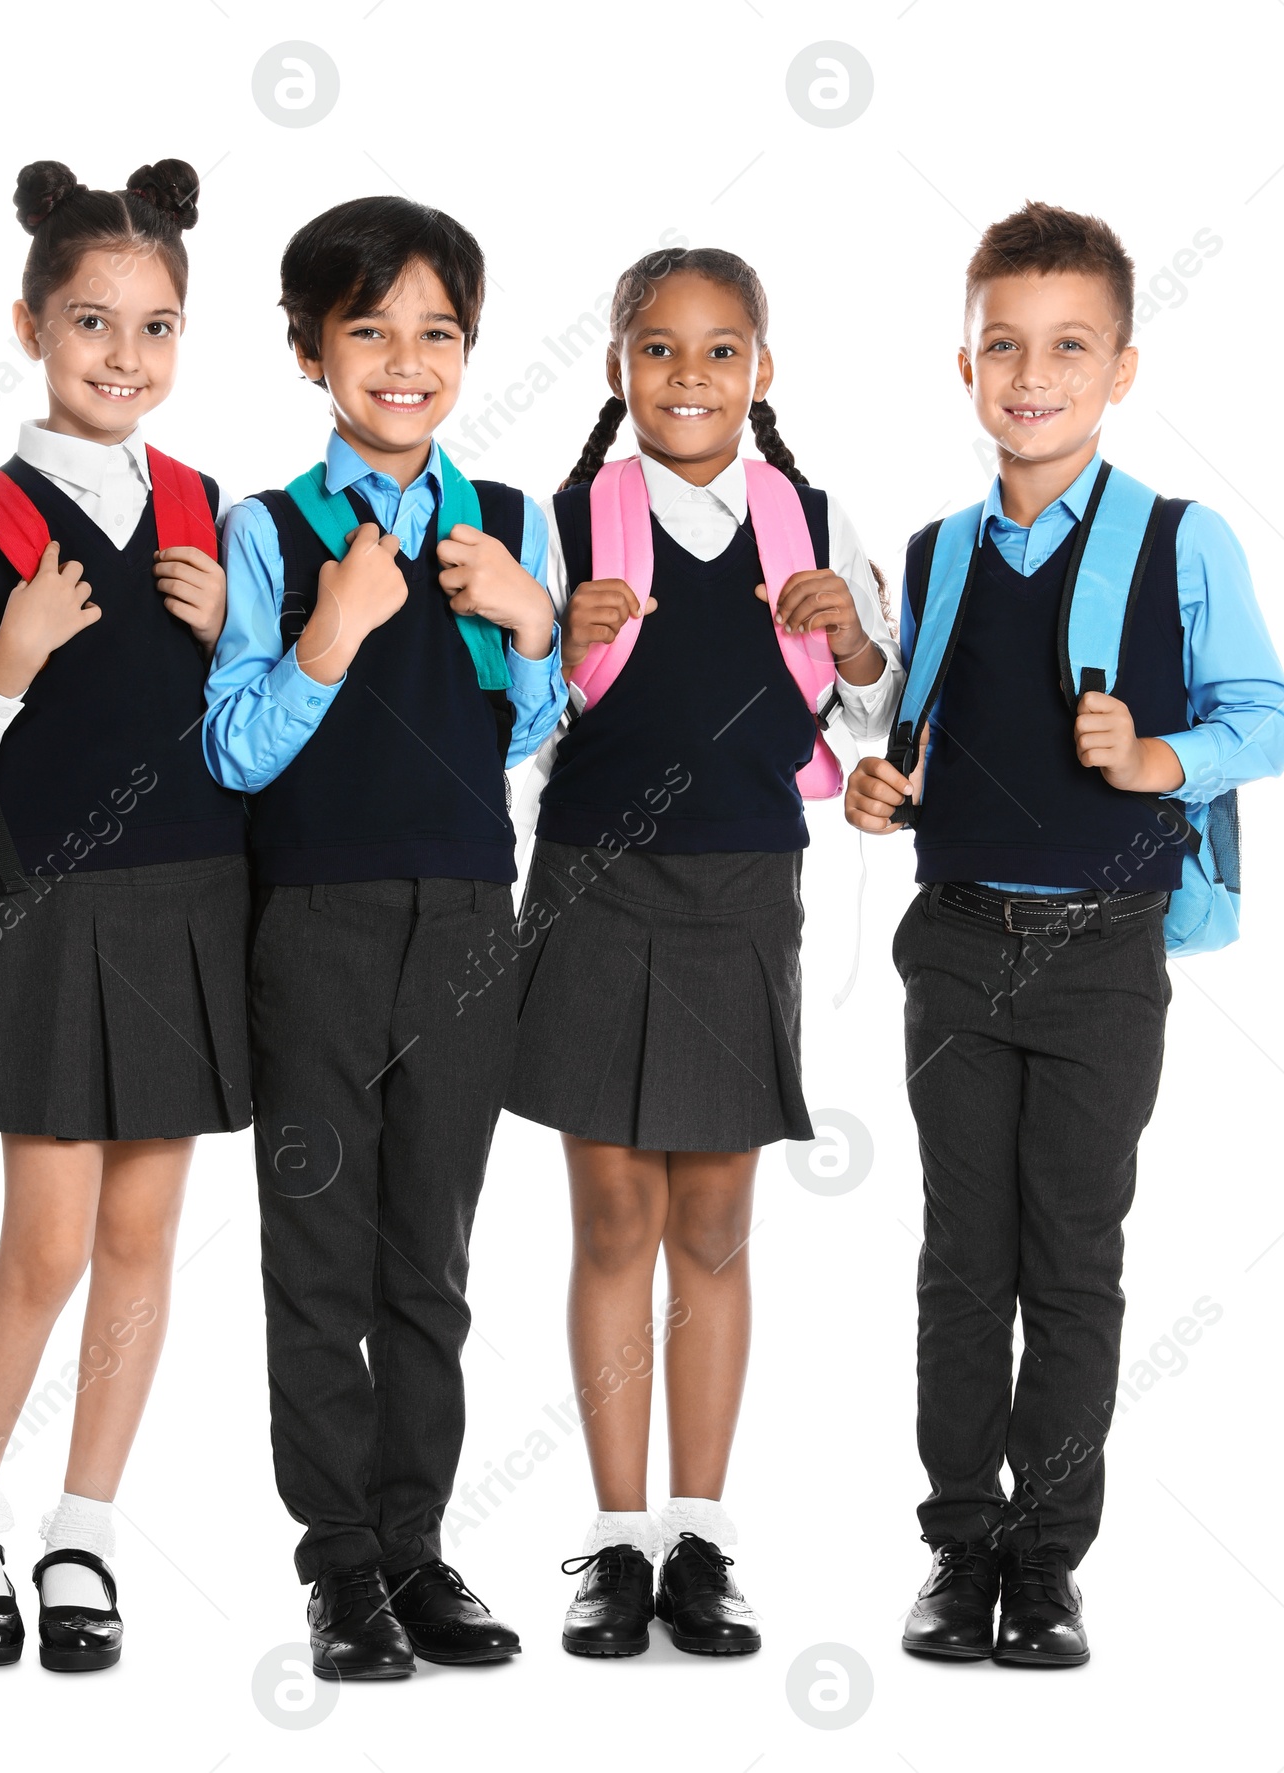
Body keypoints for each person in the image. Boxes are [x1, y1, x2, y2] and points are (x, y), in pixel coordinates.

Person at [845, 200, 1284, 1667]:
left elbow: (1274, 717)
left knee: (1075, 1256)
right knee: (960, 1259)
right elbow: (918, 722)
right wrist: (882, 780)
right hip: (958, 944)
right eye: (1004, 347)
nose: (1030, 375)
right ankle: (959, 1549)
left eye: (1067, 348)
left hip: (1107, 950)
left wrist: (1159, 757)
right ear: (965, 364)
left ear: (1121, 368)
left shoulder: (1182, 541)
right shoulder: (937, 552)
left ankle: (1047, 1564)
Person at [505, 246, 898, 1657]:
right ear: (618, 369)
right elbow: (512, 733)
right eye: (657, 350)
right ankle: (618, 1544)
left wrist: (854, 640)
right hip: (592, 886)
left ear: (762, 370)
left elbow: (875, 727)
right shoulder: (561, 523)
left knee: (716, 1227)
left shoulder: (822, 522)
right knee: (615, 1218)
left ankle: (703, 1536)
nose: (688, 376)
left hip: (743, 891)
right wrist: (557, 645)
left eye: (720, 350)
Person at [0, 159, 249, 1672]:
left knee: (146, 1238)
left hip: (191, 904)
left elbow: (241, 729)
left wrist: (234, 632)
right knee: (43, 1244)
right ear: (30, 324)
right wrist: (17, 655)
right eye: (92, 321)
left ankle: (85, 1526)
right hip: (54, 909)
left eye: (156, 325)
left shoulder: (203, 506)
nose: (124, 355)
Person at [202, 196, 567, 1680]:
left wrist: (534, 626)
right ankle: (338, 1565)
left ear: (468, 350)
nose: (405, 360)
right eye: (370, 330)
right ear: (309, 351)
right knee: (319, 1256)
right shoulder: (270, 529)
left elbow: (534, 736)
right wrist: (329, 633)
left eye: (437, 332)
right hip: (315, 927)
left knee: (433, 1258)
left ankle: (416, 1548)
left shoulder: (513, 524)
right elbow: (234, 749)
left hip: (472, 922)